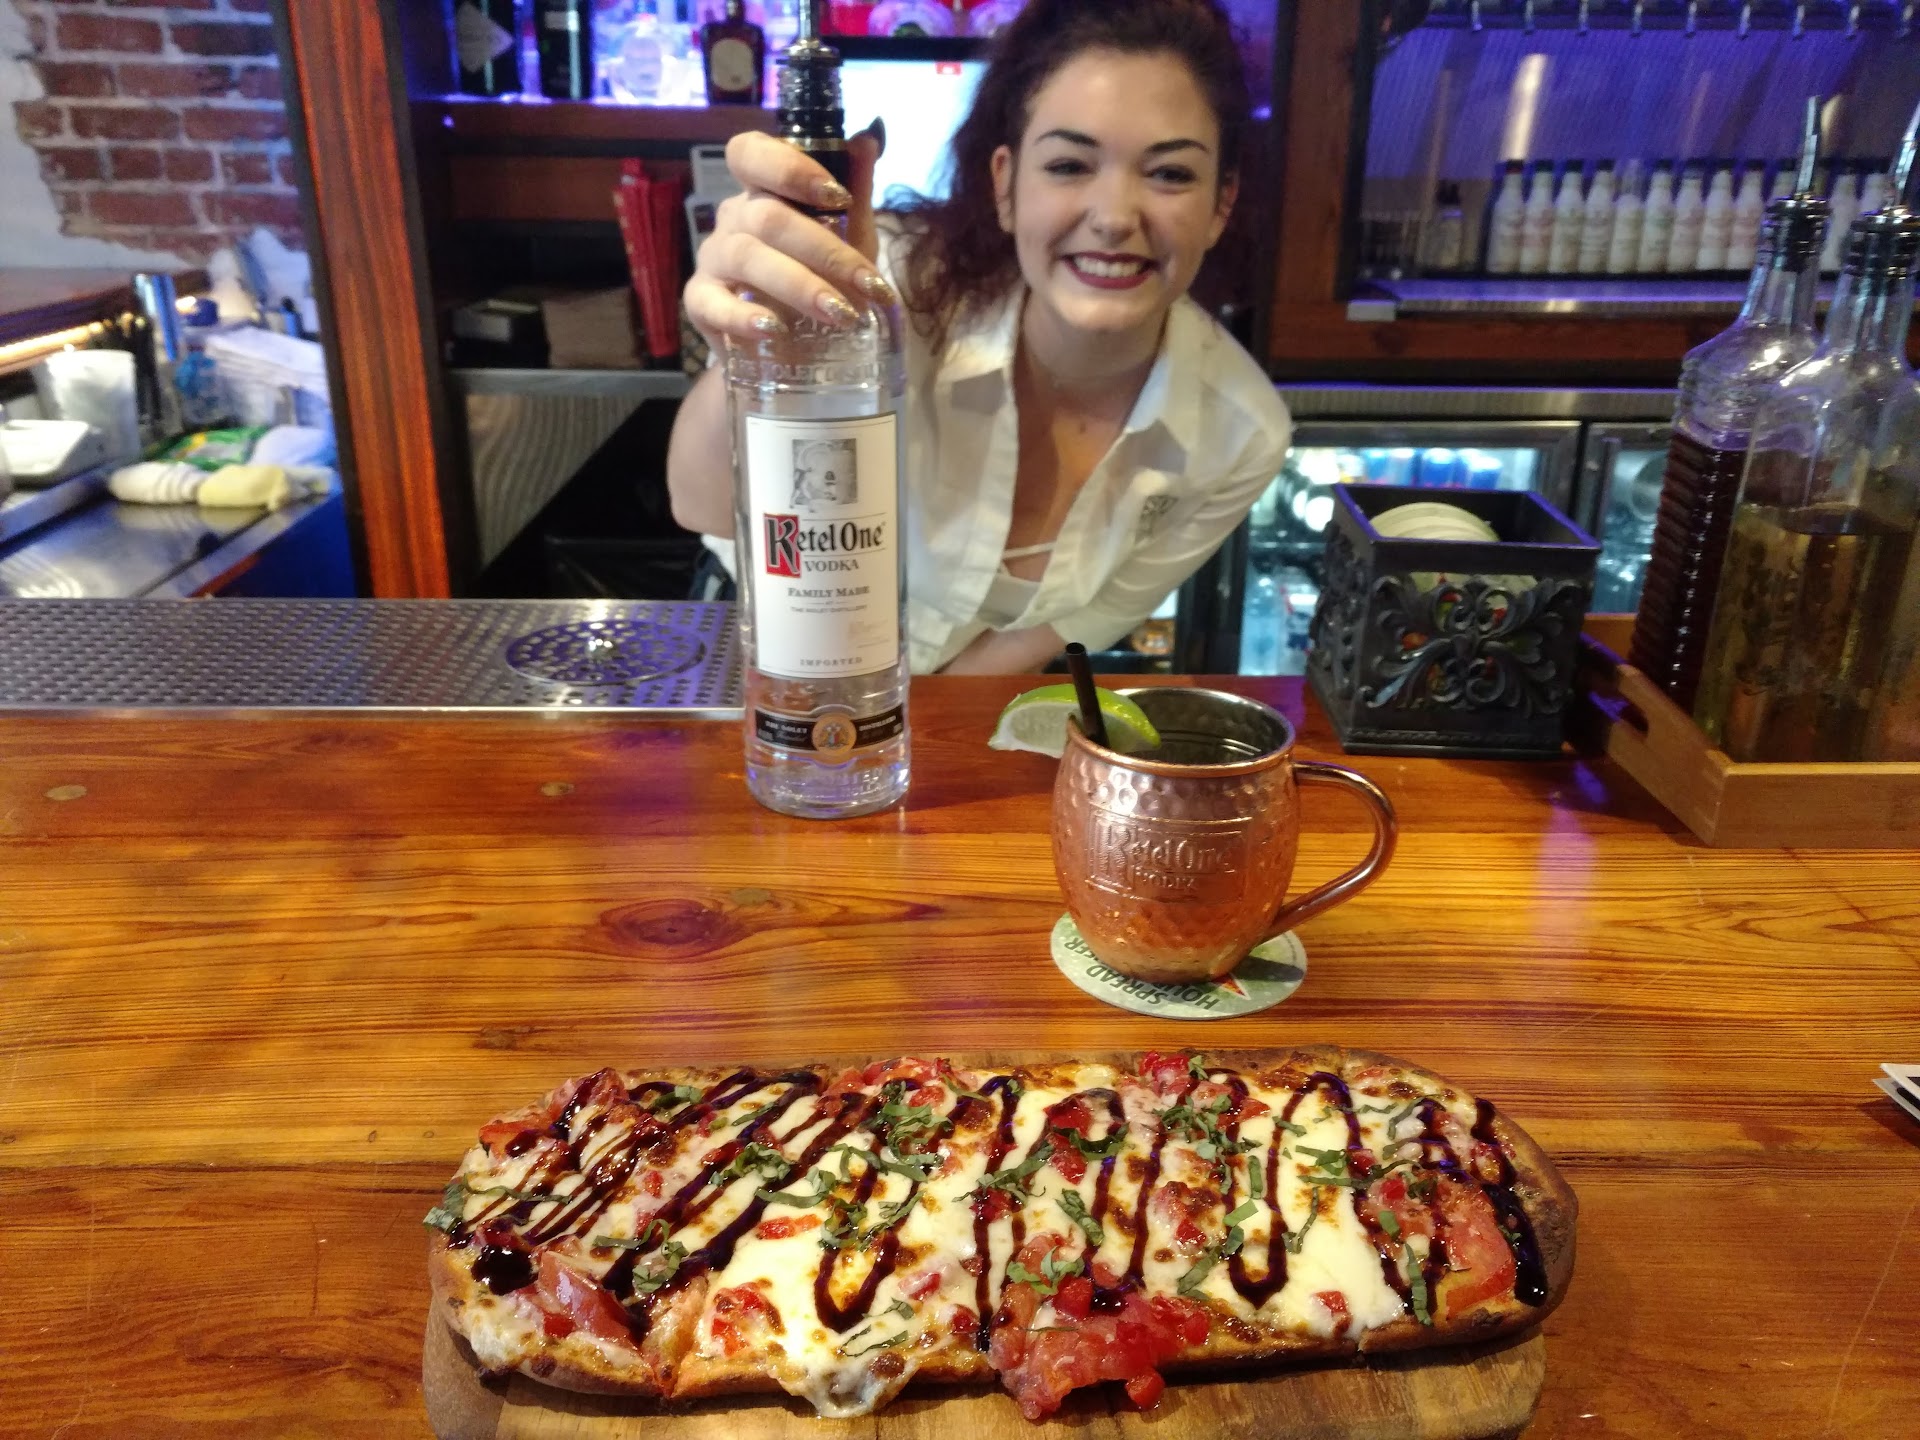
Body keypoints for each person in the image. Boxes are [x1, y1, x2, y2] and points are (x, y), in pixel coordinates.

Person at [667, 0, 1290, 674]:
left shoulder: (1240, 435)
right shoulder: (884, 285)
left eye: (1170, 173)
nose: (1114, 218)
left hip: (934, 699)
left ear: (1221, 204)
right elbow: (700, 504)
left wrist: (911, 728)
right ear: (1005, 184)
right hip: (760, 648)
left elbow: (1056, 633)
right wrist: (756, 355)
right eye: (1069, 165)